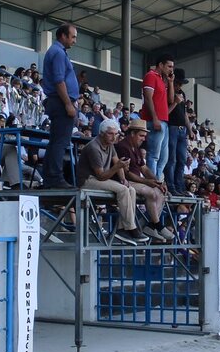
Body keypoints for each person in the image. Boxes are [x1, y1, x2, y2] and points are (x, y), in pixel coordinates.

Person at [76, 119, 147, 245]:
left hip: (99, 178)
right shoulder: (93, 147)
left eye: (116, 134)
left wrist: (123, 179)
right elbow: (101, 176)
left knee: (130, 188)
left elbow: (116, 162)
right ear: (102, 133)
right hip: (87, 180)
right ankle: (131, 228)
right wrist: (117, 167)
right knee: (123, 190)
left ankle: (122, 228)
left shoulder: (110, 145)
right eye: (110, 134)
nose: (114, 137)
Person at [115, 119, 176, 243]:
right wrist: (147, 182)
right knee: (152, 193)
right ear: (132, 133)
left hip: (136, 181)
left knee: (160, 192)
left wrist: (157, 181)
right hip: (125, 182)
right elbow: (126, 173)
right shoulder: (123, 146)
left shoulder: (135, 147)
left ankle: (151, 226)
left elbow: (144, 168)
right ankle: (157, 225)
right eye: (141, 135)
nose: (144, 139)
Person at [41, 23, 79, 189]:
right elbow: (59, 80)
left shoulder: (58, 52)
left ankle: (51, 177)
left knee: (56, 141)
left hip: (58, 101)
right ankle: (54, 178)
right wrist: (68, 104)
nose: (74, 41)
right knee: (60, 142)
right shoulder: (57, 53)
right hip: (60, 101)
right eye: (73, 36)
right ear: (63, 36)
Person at [141, 53, 175, 179]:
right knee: (153, 155)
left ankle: (158, 180)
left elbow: (170, 100)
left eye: (172, 67)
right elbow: (148, 97)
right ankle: (152, 182)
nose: (171, 69)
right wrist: (155, 118)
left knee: (163, 158)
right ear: (161, 65)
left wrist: (171, 82)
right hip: (155, 120)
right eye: (169, 66)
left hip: (164, 121)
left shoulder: (161, 79)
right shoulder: (151, 76)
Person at [166, 70, 190, 195]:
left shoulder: (182, 93)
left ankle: (179, 186)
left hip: (182, 129)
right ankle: (171, 186)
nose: (179, 86)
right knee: (172, 159)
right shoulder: (168, 92)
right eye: (178, 83)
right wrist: (176, 102)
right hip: (172, 127)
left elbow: (185, 113)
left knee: (181, 160)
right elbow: (166, 111)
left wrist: (190, 129)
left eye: (181, 84)